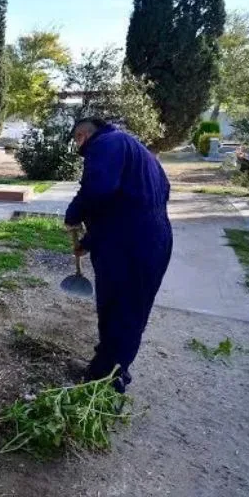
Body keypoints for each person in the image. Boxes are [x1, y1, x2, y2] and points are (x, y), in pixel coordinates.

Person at [64, 117, 173, 393]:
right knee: (128, 309)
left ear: (83, 134)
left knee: (120, 310)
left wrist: (73, 213)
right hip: (152, 239)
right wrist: (88, 241)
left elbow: (98, 189)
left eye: (78, 140)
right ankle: (107, 366)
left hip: (129, 244)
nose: (80, 147)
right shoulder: (139, 150)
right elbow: (123, 205)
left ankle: (106, 382)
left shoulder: (105, 143)